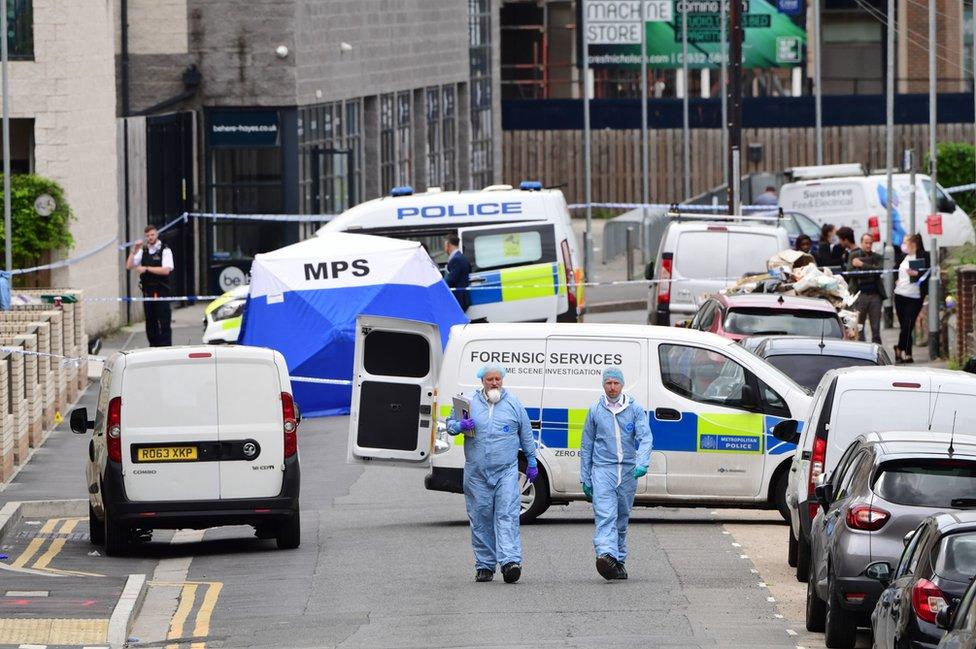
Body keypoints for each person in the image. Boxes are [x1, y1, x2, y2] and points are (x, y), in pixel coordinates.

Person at [446, 363, 537, 584]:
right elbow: (449, 425)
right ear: (482, 381)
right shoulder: (467, 402)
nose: (494, 383)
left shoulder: (514, 404)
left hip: (506, 471)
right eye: (490, 379)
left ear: (502, 380)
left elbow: (526, 434)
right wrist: (459, 425)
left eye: (498, 379)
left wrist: (532, 461)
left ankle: (510, 562)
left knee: (507, 515)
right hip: (477, 473)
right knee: (480, 518)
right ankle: (485, 565)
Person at [579, 367, 652, 581]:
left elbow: (645, 437)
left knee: (621, 517)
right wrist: (586, 477)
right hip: (604, 469)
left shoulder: (634, 409)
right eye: (608, 383)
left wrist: (642, 462)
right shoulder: (595, 411)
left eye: (616, 383)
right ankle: (605, 555)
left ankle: (618, 561)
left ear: (622, 385)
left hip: (628, 470)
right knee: (605, 515)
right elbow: (587, 445)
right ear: (603, 385)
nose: (612, 387)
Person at [126, 224, 174, 347]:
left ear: (156, 234)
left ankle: (166, 347)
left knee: (163, 320)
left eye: (152, 235)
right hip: (148, 291)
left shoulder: (165, 250)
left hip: (161, 290)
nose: (150, 237)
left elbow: (166, 270)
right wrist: (134, 250)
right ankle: (153, 346)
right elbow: (129, 266)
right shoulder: (143, 250)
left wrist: (146, 268)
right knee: (150, 321)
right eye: (147, 236)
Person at [893, 234, 930, 364]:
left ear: (913, 244)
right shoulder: (903, 257)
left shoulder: (923, 255)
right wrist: (896, 281)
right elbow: (894, 270)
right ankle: (907, 353)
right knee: (905, 325)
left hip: (914, 296)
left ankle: (899, 348)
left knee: (908, 324)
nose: (903, 245)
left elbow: (928, 271)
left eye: (905, 242)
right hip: (900, 295)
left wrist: (917, 274)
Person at [846, 233, 885, 344]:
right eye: (866, 243)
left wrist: (862, 265)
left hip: (875, 295)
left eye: (870, 243)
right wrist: (868, 271)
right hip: (859, 295)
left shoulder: (876, 256)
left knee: (876, 328)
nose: (868, 245)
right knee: (859, 326)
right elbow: (850, 272)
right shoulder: (854, 255)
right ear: (861, 243)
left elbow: (879, 270)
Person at [443, 234, 471, 312]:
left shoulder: (456, 260)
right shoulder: (461, 257)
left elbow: (450, 281)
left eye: (444, 245)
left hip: (458, 300)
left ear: (448, 245)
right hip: (462, 298)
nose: (444, 248)